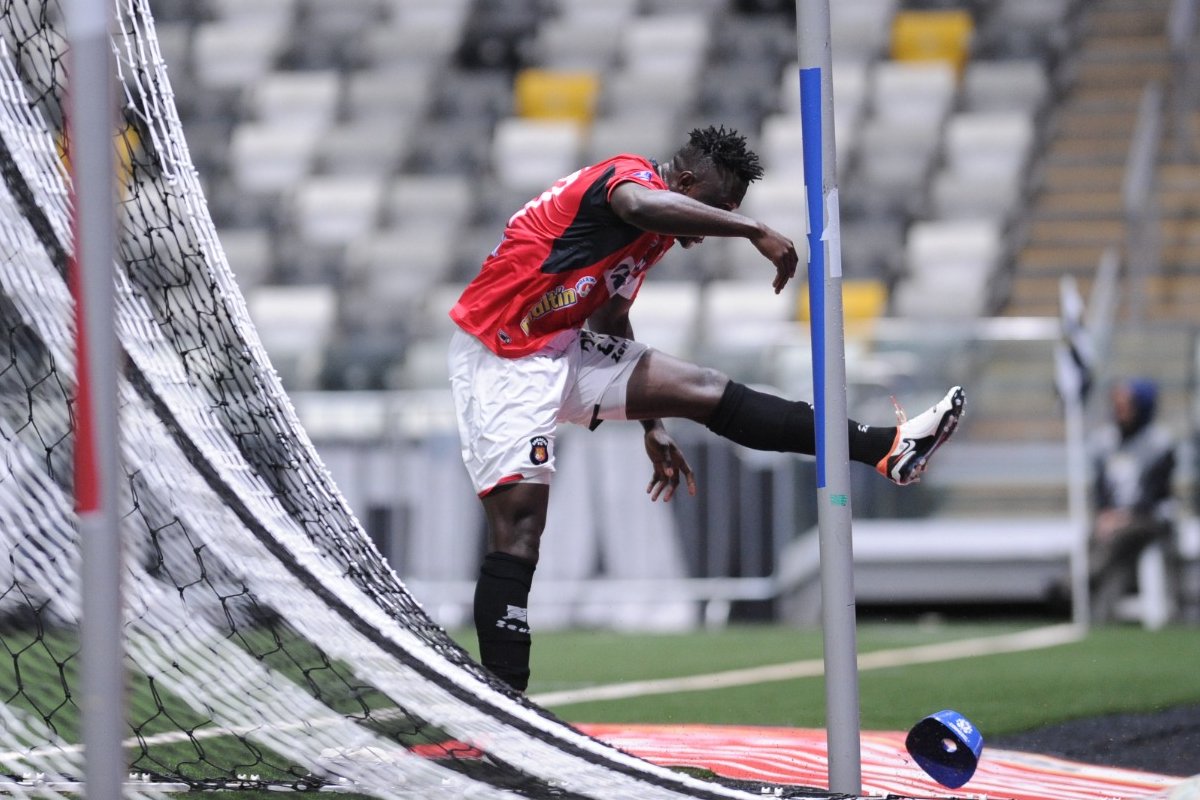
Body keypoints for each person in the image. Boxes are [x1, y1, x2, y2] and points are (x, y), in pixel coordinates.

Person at [447, 126, 966, 691]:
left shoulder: (653, 236)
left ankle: (887, 449)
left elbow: (611, 320)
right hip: (501, 353)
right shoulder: (628, 179)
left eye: (734, 210)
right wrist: (754, 229)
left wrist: (651, 424)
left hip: (560, 344)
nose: (720, 219)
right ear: (686, 181)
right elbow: (638, 204)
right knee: (521, 526)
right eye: (720, 205)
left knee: (704, 388)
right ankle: (504, 698)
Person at [1089, 377, 1178, 622]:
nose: (1120, 411)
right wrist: (1105, 513)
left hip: (1150, 518)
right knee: (1101, 536)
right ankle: (1098, 609)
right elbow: (1101, 488)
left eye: (1126, 405)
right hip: (1116, 521)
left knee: (1116, 537)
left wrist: (1122, 517)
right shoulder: (1106, 441)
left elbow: (1155, 491)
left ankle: (1082, 578)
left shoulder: (1159, 443)